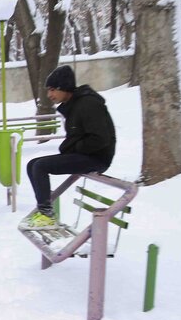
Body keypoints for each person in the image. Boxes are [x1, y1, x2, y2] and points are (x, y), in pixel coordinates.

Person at [20, 65, 116, 230]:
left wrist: (74, 147)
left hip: (97, 158)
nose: (49, 95)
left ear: (64, 87)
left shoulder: (89, 104)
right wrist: (71, 147)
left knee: (41, 167)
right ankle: (44, 211)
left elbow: (100, 139)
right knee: (32, 164)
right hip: (86, 155)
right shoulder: (74, 106)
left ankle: (47, 215)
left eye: (52, 89)